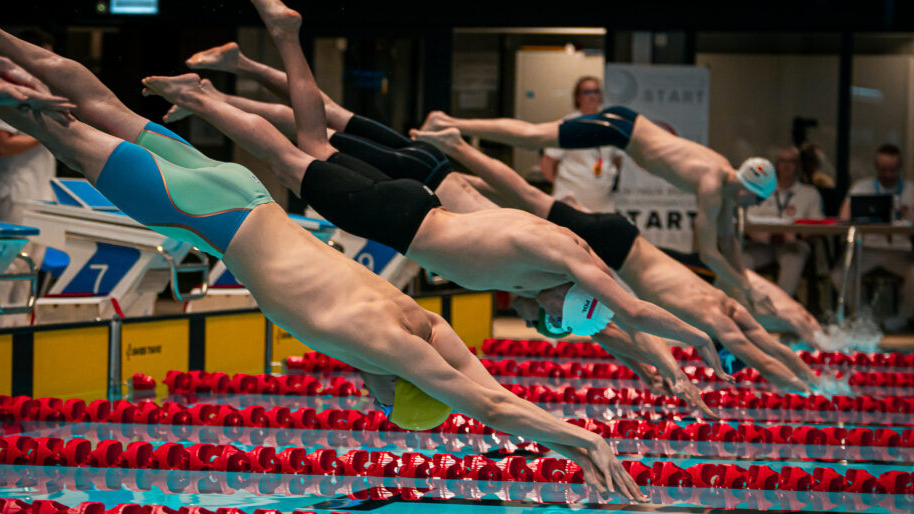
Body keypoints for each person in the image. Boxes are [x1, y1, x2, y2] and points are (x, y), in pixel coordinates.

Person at [0, 2, 647, 501]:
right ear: (399, 386)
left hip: (242, 192)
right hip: (210, 214)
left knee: (99, 106)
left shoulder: (416, 320)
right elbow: (483, 401)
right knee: (53, 123)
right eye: (389, 402)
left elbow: (484, 386)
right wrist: (580, 438)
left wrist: (562, 434)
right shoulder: (381, 343)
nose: (374, 401)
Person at [177, 42, 820, 394]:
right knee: (313, 141)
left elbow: (615, 323)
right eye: (550, 319)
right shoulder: (550, 264)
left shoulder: (556, 259)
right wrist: (696, 345)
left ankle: (237, 77)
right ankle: (238, 77)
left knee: (322, 134)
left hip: (429, 189)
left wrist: (663, 364)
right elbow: (626, 314)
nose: (538, 322)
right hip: (424, 185)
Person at [420, 107, 778, 315]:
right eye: (757, 201)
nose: (753, 208)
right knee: (532, 137)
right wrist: (747, 288)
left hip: (626, 128)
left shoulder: (726, 179)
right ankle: (449, 123)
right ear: (748, 190)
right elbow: (710, 253)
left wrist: (746, 287)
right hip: (621, 131)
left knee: (525, 177)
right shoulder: (713, 186)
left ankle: (453, 157)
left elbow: (729, 241)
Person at [835, 143, 914, 331]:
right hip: (867, 250)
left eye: (892, 170)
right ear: (876, 167)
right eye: (883, 169)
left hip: (900, 251)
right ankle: (864, 316)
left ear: (900, 167)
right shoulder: (861, 188)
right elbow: (843, 218)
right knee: (839, 275)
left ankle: (904, 317)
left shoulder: (911, 190)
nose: (888, 174)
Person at [0, 27, 57, 224]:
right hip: (17, 196)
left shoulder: (43, 91)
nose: (50, 63)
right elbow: (2, 146)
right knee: (18, 246)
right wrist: (46, 134)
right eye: (45, 56)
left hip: (43, 192)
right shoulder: (7, 91)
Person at [745, 146, 823, 297]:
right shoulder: (761, 190)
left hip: (792, 243)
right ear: (776, 165)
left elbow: (817, 224)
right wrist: (757, 234)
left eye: (791, 162)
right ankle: (752, 301)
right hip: (762, 243)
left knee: (793, 259)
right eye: (782, 161)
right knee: (741, 258)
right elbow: (748, 219)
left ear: (798, 166)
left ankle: (781, 304)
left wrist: (798, 234)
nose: (786, 166)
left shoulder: (810, 193)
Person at [540, 76, 622, 212]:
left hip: (603, 203)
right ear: (578, 97)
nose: (592, 96)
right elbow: (547, 163)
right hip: (570, 201)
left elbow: (617, 160)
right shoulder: (567, 124)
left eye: (596, 91)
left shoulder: (610, 124)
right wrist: (563, 185)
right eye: (587, 92)